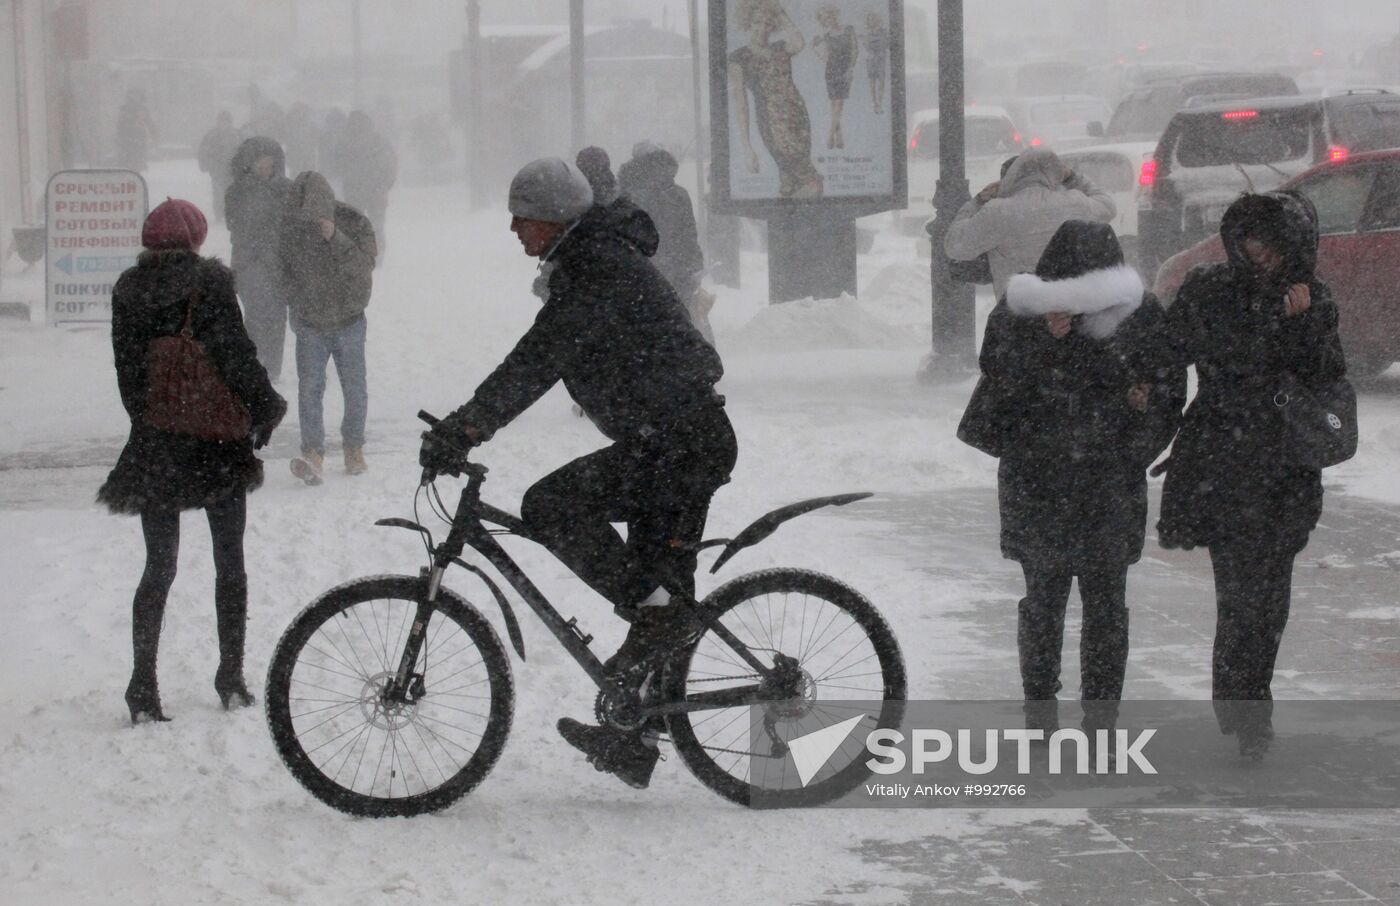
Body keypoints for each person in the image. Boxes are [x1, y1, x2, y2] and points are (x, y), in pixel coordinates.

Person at [420, 158, 736, 789]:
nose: (513, 228)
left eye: (522, 216)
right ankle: (634, 730)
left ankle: (658, 624)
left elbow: (536, 361)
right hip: (669, 439)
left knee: (552, 505)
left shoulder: (599, 268)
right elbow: (542, 356)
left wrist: (465, 428)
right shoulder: (590, 260)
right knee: (655, 584)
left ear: (555, 216)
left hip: (679, 444)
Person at [973, 220, 1185, 738]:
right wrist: (1043, 341)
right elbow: (999, 376)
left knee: (1086, 604)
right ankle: (1053, 711)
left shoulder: (1137, 314)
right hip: (1060, 479)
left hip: (1085, 479)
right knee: (1072, 604)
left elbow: (1164, 391)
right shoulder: (1025, 313)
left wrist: (1135, 438)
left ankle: (1089, 716)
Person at [1156, 191, 1347, 758]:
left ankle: (1248, 695)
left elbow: (1327, 375)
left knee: (1271, 596)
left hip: (1285, 462)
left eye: (1268, 240)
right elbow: (1170, 351)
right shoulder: (1211, 289)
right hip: (1224, 459)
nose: (1256, 251)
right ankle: (1244, 707)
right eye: (1249, 239)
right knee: (1238, 591)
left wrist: (1302, 324)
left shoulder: (1312, 298)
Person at [97, 199, 286, 724]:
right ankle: (230, 677)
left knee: (158, 567)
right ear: (197, 238)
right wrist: (265, 406)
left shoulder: (128, 291)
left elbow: (128, 374)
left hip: (157, 444)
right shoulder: (211, 285)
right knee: (230, 563)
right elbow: (236, 355)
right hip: (216, 447)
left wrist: (154, 420)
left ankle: (142, 685)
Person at [279, 171, 377, 483]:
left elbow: (364, 267)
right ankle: (313, 452)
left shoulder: (353, 221)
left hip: (348, 319)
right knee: (310, 389)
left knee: (355, 388)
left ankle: (353, 448)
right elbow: (283, 271)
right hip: (310, 322)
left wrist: (335, 237)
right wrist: (294, 303)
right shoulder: (290, 228)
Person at [944, 147, 1117, 301]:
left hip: (1018, 311)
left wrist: (978, 201)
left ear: (1007, 180)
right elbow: (1108, 207)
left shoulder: (998, 212)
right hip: (1066, 311)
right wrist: (1072, 177)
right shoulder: (1075, 202)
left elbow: (955, 246)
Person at [728, 0, 824, 198]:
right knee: (809, 181)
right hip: (773, 122)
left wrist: (778, 11)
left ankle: (789, 220)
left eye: (768, 23)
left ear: (774, 26)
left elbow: (799, 42)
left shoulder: (781, 47)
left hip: (798, 117)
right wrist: (747, 148)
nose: (762, 28)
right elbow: (741, 103)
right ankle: (792, 220)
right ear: (748, 23)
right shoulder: (739, 58)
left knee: (789, 180)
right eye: (757, 22)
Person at [618, 142, 712, 342]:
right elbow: (688, 234)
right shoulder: (678, 194)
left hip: (644, 268)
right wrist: (694, 264)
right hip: (677, 268)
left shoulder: (629, 194)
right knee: (684, 317)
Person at [225, 136, 292, 381]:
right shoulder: (237, 192)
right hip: (249, 260)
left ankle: (272, 366)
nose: (265, 169)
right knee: (254, 312)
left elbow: (293, 225)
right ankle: (255, 363)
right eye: (260, 165)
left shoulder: (286, 189)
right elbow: (235, 224)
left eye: (269, 165)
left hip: (279, 262)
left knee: (277, 314)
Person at [337, 111, 398, 264]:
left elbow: (338, 166)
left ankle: (358, 256)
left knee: (355, 226)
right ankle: (376, 256)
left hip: (356, 191)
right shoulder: (379, 141)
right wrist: (386, 184)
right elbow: (391, 164)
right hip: (375, 190)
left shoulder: (345, 143)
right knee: (375, 226)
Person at [813, 5, 858, 150]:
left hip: (844, 70)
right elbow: (826, 58)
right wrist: (815, 49)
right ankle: (839, 137)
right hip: (831, 71)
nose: (827, 20)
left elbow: (854, 50)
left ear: (833, 14)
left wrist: (851, 68)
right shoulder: (826, 36)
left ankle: (830, 134)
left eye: (828, 16)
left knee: (839, 104)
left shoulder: (849, 29)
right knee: (834, 105)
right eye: (824, 19)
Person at [197, 111, 241, 223]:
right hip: (217, 170)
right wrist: (205, 164)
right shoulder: (212, 135)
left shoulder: (236, 135)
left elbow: (241, 151)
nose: (224, 124)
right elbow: (203, 151)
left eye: (226, 121)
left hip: (232, 170)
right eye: (222, 121)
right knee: (218, 193)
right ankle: (219, 214)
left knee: (231, 193)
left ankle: (230, 213)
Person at [115, 88, 157, 173]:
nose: (135, 98)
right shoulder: (125, 109)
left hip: (139, 139)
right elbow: (120, 125)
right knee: (128, 159)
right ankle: (130, 174)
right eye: (133, 95)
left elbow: (149, 122)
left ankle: (136, 174)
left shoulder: (143, 109)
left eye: (137, 95)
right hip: (128, 139)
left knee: (138, 159)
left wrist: (153, 133)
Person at [862, 12, 890, 115]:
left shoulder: (884, 32)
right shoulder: (867, 32)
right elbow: (866, 45)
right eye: (870, 19)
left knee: (881, 83)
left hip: (880, 59)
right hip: (871, 60)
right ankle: (875, 103)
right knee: (872, 83)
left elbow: (886, 44)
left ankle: (880, 103)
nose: (872, 21)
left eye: (873, 18)